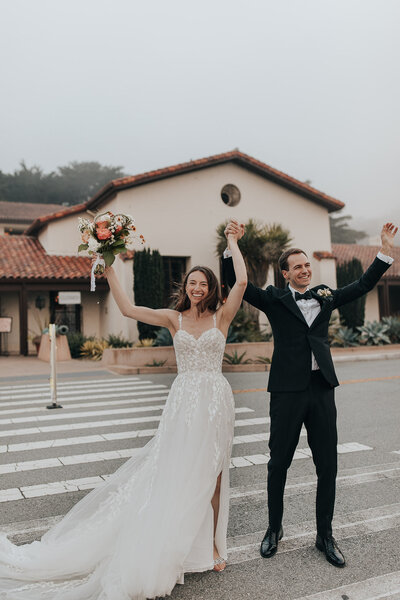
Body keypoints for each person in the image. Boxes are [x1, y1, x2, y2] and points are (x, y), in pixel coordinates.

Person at [0, 227, 247, 599]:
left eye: (204, 283)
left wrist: (233, 243)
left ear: (212, 288)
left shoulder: (221, 318)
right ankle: (174, 542)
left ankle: (212, 545)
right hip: (183, 402)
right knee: (176, 471)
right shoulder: (173, 318)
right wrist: (109, 266)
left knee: (213, 476)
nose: (197, 288)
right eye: (193, 283)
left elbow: (242, 280)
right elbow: (129, 310)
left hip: (216, 400)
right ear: (187, 287)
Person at [223, 220, 397, 568]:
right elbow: (236, 283)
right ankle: (274, 529)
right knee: (278, 464)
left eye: (307, 266)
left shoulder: (325, 296)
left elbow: (363, 285)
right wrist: (231, 245)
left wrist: (384, 250)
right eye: (297, 267)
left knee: (327, 465)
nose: (304, 270)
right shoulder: (273, 299)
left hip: (321, 391)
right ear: (285, 274)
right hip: (286, 391)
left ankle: (325, 535)